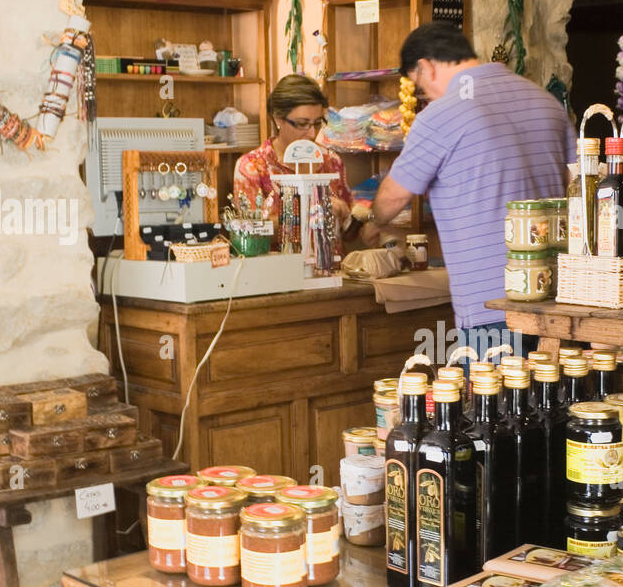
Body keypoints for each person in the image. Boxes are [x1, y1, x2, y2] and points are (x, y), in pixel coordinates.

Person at [370, 24, 575, 356]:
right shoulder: (546, 102)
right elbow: (576, 186)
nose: (425, 97)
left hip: (490, 303)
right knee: (555, 399)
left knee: (491, 404)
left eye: (420, 87)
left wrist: (372, 218)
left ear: (426, 67)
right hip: (558, 294)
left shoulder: (441, 115)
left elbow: (392, 200)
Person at [234, 74, 354, 231]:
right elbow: (250, 232)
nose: (312, 133)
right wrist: (309, 215)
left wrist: (357, 217)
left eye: (317, 124)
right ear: (278, 119)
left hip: (331, 256)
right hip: (282, 256)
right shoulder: (252, 166)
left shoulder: (331, 160)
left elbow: (349, 232)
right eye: (302, 124)